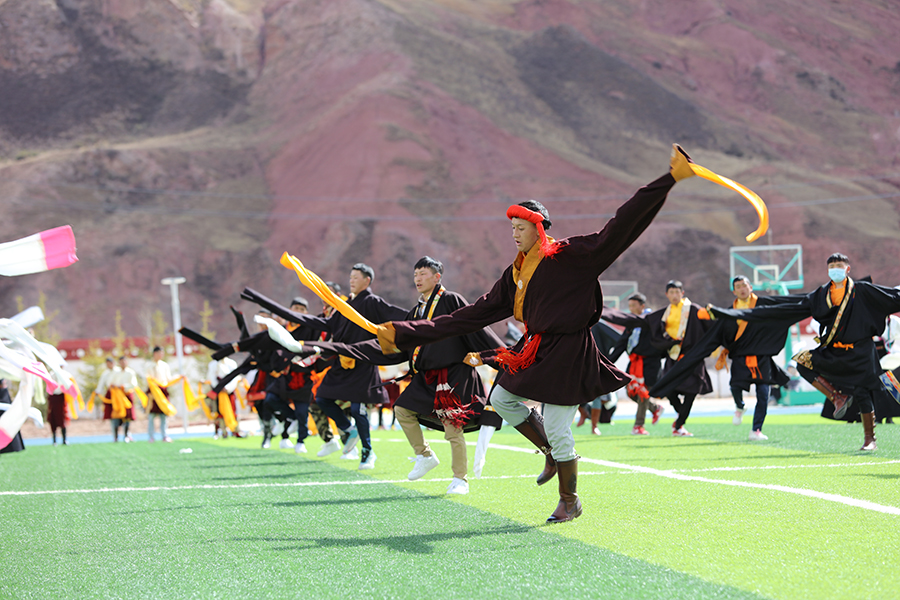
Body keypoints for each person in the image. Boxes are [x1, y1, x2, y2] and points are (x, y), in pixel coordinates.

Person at [374, 145, 698, 522]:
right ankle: (549, 453)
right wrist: (405, 333)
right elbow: (469, 316)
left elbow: (622, 226)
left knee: (558, 428)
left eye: (520, 227)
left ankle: (569, 500)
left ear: (538, 227)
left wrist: (669, 179)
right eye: (511, 228)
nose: (514, 234)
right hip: (535, 348)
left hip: (571, 351)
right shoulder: (516, 272)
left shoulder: (571, 255)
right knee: (503, 398)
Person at [290, 256, 505, 494]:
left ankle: (460, 479)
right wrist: (342, 349)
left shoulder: (451, 299)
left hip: (454, 375)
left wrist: (496, 355)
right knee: (402, 409)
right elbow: (401, 346)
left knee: (452, 427)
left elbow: (475, 326)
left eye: (423, 274)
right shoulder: (416, 311)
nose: (418, 279)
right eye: (415, 274)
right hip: (426, 376)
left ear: (437, 277)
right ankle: (425, 455)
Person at [710, 253, 900, 451]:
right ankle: (837, 397)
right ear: (828, 270)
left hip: (861, 350)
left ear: (848, 269)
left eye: (839, 265)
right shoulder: (821, 295)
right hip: (834, 350)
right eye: (832, 266)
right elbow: (788, 308)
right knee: (802, 361)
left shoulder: (862, 290)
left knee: (862, 392)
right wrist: (730, 313)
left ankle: (870, 439)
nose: (835, 269)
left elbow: (893, 297)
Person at [245, 264, 407, 469]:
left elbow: (398, 315)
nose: (351, 280)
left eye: (356, 277)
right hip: (341, 362)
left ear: (367, 280)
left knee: (358, 409)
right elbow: (325, 324)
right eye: (350, 277)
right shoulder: (345, 306)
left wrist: (424, 321)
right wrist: (281, 312)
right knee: (321, 398)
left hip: (363, 362)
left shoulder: (372, 302)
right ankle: (349, 430)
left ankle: (367, 452)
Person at [650, 276, 793, 440]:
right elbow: (720, 330)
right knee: (734, 387)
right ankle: (738, 406)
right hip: (729, 356)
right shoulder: (728, 311)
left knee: (762, 392)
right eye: (738, 287)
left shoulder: (762, 304)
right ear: (734, 291)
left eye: (744, 285)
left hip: (758, 355)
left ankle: (756, 430)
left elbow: (783, 310)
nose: (742, 289)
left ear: (751, 287)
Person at [645, 280, 714, 437]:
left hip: (692, 357)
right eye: (671, 292)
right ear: (666, 294)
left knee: (691, 391)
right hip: (673, 355)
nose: (675, 295)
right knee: (669, 389)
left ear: (682, 293)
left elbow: (710, 324)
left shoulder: (694, 309)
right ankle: (681, 416)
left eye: (677, 292)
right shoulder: (665, 312)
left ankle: (679, 424)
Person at [601, 293, 665, 435]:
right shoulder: (631, 324)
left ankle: (638, 426)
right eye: (629, 306)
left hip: (650, 363)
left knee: (643, 393)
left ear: (642, 306)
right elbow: (621, 345)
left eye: (634, 306)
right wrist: (606, 363)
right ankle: (655, 408)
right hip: (635, 363)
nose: (631, 309)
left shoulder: (652, 321)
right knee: (631, 392)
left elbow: (660, 342)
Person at [146, 346, 173, 443]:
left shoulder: (165, 365)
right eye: (159, 353)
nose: (161, 355)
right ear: (155, 353)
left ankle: (164, 435)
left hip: (163, 391)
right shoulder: (149, 365)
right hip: (153, 391)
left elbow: (168, 379)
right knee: (152, 415)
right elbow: (148, 379)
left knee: (164, 415)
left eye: (162, 353)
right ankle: (151, 436)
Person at [113, 356, 140, 443]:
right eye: (121, 362)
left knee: (128, 416)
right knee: (117, 416)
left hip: (127, 395)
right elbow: (112, 383)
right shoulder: (116, 373)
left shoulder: (130, 372)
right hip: (118, 397)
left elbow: (134, 384)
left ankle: (126, 436)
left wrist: (123, 386)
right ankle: (116, 437)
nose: (122, 363)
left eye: (124, 361)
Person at [94, 357, 122, 442]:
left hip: (120, 395)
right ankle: (115, 436)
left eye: (110, 363)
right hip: (110, 395)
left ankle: (127, 434)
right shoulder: (105, 373)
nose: (109, 365)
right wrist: (98, 391)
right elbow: (101, 384)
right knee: (112, 416)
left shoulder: (119, 371)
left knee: (123, 415)